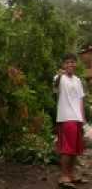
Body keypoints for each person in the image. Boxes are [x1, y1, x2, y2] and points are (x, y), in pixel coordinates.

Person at [54, 53, 87, 188]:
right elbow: (55, 87)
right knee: (67, 149)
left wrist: (83, 117)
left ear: (75, 64)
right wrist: (59, 75)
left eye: (72, 62)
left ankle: (71, 174)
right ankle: (63, 176)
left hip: (77, 118)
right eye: (67, 62)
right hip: (66, 117)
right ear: (63, 65)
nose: (70, 64)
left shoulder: (78, 80)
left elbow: (80, 100)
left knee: (75, 149)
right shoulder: (59, 78)